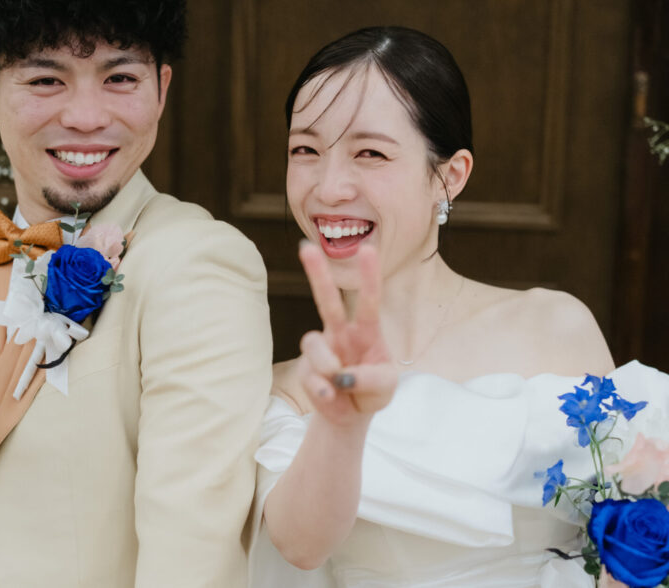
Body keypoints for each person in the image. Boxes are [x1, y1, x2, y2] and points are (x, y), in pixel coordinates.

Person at [0, 1, 272, 586]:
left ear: (161, 89)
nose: (86, 117)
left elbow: (194, 544)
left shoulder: (199, 263)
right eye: (46, 80)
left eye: (120, 78)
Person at [248, 26, 669, 587]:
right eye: (305, 150)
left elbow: (632, 523)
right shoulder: (291, 388)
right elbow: (298, 547)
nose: (328, 188)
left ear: (449, 177)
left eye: (370, 153)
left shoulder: (555, 327)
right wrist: (343, 425)